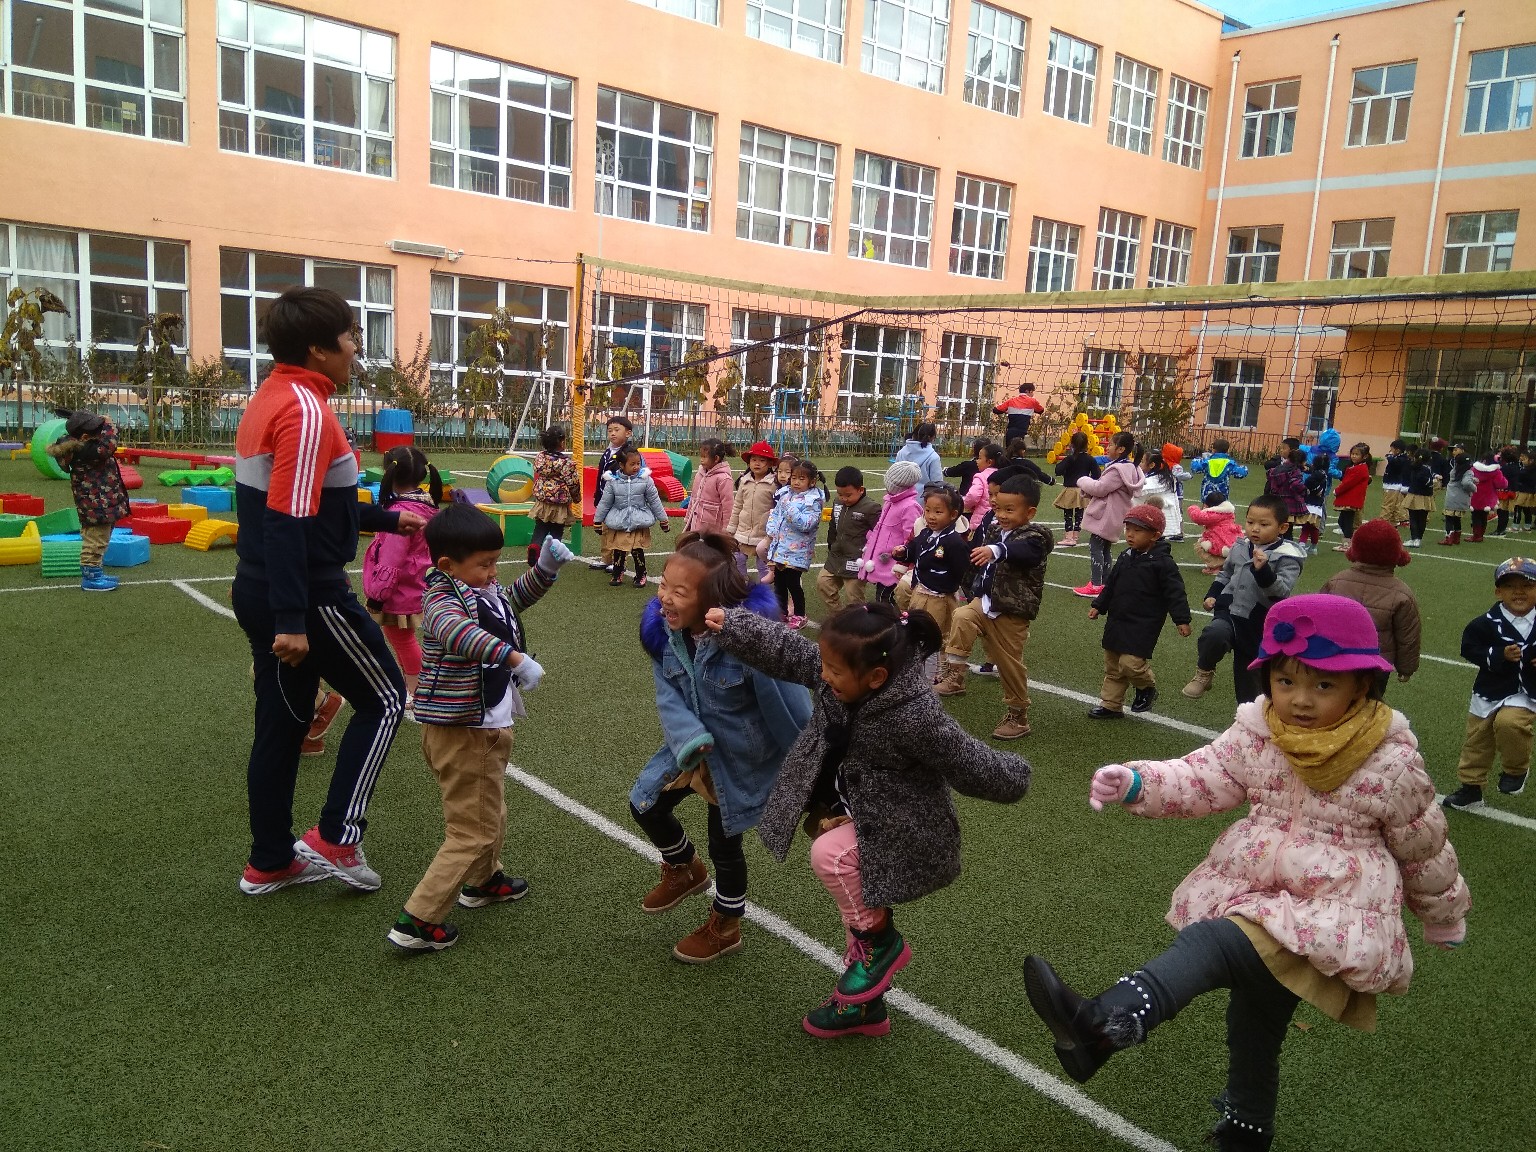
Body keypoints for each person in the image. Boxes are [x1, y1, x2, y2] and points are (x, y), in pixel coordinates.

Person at [1023, 594, 1468, 1152]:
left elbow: (1424, 846)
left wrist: (1443, 916)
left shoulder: (1389, 760)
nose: (1300, 699)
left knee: (1217, 942)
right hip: (1261, 885)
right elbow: (1203, 776)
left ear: (1362, 686)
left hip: (1334, 907)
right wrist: (1138, 782)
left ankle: (1106, 1021)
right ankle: (1247, 1129)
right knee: (1255, 1024)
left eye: (1323, 684)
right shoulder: (1260, 732)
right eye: (1286, 681)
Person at [704, 601, 1032, 1037]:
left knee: (833, 859)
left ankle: (882, 943)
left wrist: (1017, 776)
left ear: (876, 677)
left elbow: (969, 762)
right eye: (825, 666)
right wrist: (735, 625)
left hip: (902, 826)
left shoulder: (914, 714)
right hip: (857, 811)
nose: (823, 675)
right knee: (859, 904)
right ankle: (864, 1006)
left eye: (834, 671)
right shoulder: (844, 673)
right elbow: (791, 652)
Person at [231, 286, 427, 896]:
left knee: (282, 726)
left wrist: (386, 518)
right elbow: (287, 520)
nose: (354, 350)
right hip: (307, 595)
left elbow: (307, 504)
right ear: (319, 349)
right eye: (349, 338)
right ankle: (337, 837)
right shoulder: (306, 411)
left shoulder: (273, 395)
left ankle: (270, 861)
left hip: (260, 585)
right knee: (386, 699)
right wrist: (293, 617)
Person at [387, 504, 570, 950]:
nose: (493, 573)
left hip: (482, 725)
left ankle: (483, 880)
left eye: (495, 562)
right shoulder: (441, 599)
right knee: (472, 830)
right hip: (464, 731)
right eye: (484, 564)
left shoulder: (477, 587)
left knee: (489, 810)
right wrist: (515, 658)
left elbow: (510, 601)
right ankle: (418, 920)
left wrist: (544, 571)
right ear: (448, 564)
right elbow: (459, 634)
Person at [630, 533, 813, 962]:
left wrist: (808, 768)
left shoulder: (751, 644)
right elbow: (668, 695)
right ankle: (684, 867)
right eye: (663, 585)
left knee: (724, 844)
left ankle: (726, 925)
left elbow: (790, 708)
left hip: (740, 757)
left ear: (712, 600)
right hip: (691, 744)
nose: (665, 598)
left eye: (679, 592)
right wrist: (689, 740)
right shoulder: (665, 635)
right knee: (644, 805)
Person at [935, 474, 1056, 740]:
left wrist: (997, 550)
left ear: (1030, 512)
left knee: (1009, 664)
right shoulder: (993, 530)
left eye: (1009, 510)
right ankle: (955, 674)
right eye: (998, 508)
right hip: (985, 602)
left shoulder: (1035, 537)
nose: (1001, 514)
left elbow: (1024, 552)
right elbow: (976, 560)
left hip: (1011, 611)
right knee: (962, 615)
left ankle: (1018, 715)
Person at [1183, 494, 1306, 704]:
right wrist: (1213, 594)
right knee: (1214, 634)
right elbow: (1226, 573)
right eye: (1250, 522)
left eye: (1264, 524)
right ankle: (1204, 672)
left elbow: (1281, 592)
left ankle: (1249, 716)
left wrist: (1264, 571)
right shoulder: (1241, 545)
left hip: (1258, 620)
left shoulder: (1287, 556)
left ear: (1282, 528)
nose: (1255, 529)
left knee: (1249, 683)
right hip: (1229, 610)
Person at [1443, 556, 1536, 810]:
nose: (1518, 592)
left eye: (1527, 586)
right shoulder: (1484, 623)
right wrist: (1498, 655)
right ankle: (1471, 788)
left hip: (1527, 691)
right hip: (1489, 689)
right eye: (1510, 586)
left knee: (1510, 723)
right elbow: (1469, 649)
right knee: (1477, 740)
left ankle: (1516, 770)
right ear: (1498, 592)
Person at [1086, 503, 1192, 718]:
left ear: (1155, 535)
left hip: (1143, 623)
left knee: (1131, 664)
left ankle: (1146, 686)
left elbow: (1175, 592)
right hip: (1118, 619)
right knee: (1113, 665)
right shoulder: (1126, 556)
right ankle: (1111, 705)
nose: (1130, 534)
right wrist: (1099, 605)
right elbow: (1112, 584)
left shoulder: (1163, 563)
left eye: (1137, 530)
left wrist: (1181, 619)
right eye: (1128, 529)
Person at [361, 446, 443, 704]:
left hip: (399, 590)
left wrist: (378, 595)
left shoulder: (399, 513)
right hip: (416, 584)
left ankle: (419, 691)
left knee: (403, 640)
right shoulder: (427, 504)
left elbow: (391, 560)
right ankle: (414, 685)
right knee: (402, 640)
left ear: (389, 472)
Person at [1318, 519, 1421, 683]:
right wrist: (1406, 668)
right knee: (1372, 698)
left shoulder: (1336, 581)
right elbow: (1408, 637)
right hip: (1376, 665)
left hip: (1337, 658)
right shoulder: (1401, 592)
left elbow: (1318, 619)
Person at [44, 407, 130, 593]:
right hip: (96, 504)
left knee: (100, 537)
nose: (102, 433)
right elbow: (109, 446)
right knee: (95, 540)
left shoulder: (83, 445)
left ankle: (96, 572)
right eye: (98, 432)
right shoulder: (86, 450)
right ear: (84, 437)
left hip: (101, 503)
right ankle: (91, 578)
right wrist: (109, 425)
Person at [893, 484, 970, 642]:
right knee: (917, 628)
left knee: (936, 632)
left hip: (939, 597)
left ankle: (937, 658)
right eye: (927, 510)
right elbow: (913, 549)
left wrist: (947, 586)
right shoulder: (925, 533)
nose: (931, 516)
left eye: (938, 512)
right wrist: (903, 552)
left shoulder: (954, 542)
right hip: (919, 589)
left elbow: (962, 570)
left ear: (953, 514)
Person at [1074, 431, 1145, 598]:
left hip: (1106, 515)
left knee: (1096, 547)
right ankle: (1105, 583)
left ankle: (1096, 584)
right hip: (1115, 515)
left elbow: (1100, 488)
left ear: (1120, 449)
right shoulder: (1129, 468)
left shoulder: (1117, 470)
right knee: (1105, 548)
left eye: (1111, 445)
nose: (1107, 447)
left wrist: (1083, 480)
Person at [594, 446, 671, 587]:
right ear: (622, 465)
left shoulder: (645, 480)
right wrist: (597, 521)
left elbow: (654, 501)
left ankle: (641, 574)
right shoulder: (613, 481)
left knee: (637, 549)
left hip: (638, 520)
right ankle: (617, 572)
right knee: (619, 549)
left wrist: (663, 519)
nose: (636, 467)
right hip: (619, 520)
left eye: (638, 463)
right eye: (632, 464)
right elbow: (605, 502)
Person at [764, 459, 828, 627]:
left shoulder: (813, 501)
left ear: (812, 481)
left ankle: (800, 614)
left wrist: (789, 508)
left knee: (793, 584)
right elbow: (775, 514)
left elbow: (806, 524)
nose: (796, 482)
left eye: (801, 478)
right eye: (794, 478)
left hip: (797, 552)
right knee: (779, 583)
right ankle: (782, 612)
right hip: (780, 547)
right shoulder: (785, 494)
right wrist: (771, 529)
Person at [858, 461, 923, 604]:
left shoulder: (910, 507)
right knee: (882, 597)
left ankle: (895, 618)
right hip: (883, 561)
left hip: (894, 565)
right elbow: (879, 528)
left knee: (886, 599)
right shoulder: (889, 501)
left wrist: (904, 564)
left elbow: (912, 538)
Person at [819, 466, 880, 614]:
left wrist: (871, 557)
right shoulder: (837, 503)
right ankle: (839, 617)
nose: (844, 498)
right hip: (836, 557)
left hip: (856, 560)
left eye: (848, 495)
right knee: (823, 583)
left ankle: (858, 623)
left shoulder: (871, 508)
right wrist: (831, 545)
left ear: (860, 490)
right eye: (840, 494)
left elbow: (879, 535)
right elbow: (833, 526)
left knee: (854, 597)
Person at [528, 425, 579, 570]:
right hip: (559, 502)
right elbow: (573, 482)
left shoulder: (540, 458)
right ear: (561, 442)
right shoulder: (566, 463)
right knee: (557, 529)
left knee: (540, 526)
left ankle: (535, 546)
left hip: (542, 500)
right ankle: (552, 556)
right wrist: (577, 498)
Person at [728, 440, 778, 580]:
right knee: (737, 559)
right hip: (742, 532)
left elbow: (778, 509)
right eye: (754, 460)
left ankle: (765, 591)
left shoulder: (774, 484)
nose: (757, 463)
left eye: (762, 460)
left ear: (770, 464)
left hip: (764, 533)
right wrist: (731, 528)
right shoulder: (744, 481)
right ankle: (742, 584)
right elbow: (737, 506)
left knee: (763, 565)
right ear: (749, 462)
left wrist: (774, 532)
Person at [1052, 431, 1101, 548]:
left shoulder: (1070, 458)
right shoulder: (1090, 459)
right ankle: (1075, 535)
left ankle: (1068, 537)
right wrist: (1089, 480)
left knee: (1068, 513)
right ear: (1087, 444)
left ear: (1072, 444)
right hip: (1083, 489)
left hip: (1070, 489)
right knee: (1079, 514)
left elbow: (1058, 470)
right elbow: (1097, 474)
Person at [680, 437, 733, 536]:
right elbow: (693, 498)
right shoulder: (700, 474)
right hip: (695, 524)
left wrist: (727, 528)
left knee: (709, 545)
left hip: (712, 527)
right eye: (701, 456)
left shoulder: (724, 478)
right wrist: (688, 517)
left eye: (704, 457)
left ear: (716, 458)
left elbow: (728, 505)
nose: (701, 460)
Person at [1330, 442, 1373, 552]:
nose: (1353, 456)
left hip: (1351, 500)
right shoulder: (1356, 467)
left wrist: (1337, 491)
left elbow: (1348, 483)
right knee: (1343, 521)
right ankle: (1350, 542)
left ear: (1364, 456)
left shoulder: (1360, 468)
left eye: (1356, 454)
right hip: (1349, 499)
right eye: (1352, 454)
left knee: (1347, 522)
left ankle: (1348, 544)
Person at [1189, 491, 1243, 574]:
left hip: (1223, 544)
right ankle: (1227, 563)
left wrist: (1193, 508)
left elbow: (1198, 518)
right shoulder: (1229, 512)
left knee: (1199, 545)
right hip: (1233, 544)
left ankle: (1217, 566)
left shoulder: (1214, 514)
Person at [1137, 451, 1184, 543]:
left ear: (1152, 465)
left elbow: (1139, 492)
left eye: (1142, 461)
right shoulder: (1165, 477)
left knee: (1155, 543)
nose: (1140, 464)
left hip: (1158, 519)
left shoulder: (1155, 480)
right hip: (1162, 519)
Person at [1265, 448, 1308, 538]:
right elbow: (1295, 484)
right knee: (1287, 529)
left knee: (1277, 526)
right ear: (1301, 461)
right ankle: (1286, 545)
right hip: (1289, 503)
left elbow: (1269, 479)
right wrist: (1305, 490)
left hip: (1276, 501)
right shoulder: (1295, 471)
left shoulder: (1277, 469)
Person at [593, 414, 634, 511]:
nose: (613, 433)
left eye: (616, 430)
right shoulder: (607, 452)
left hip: (620, 499)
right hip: (604, 496)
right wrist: (598, 495)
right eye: (610, 430)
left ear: (628, 433)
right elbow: (600, 475)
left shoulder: (630, 454)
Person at [1191, 438, 1249, 503]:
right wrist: (1244, 467)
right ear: (1227, 450)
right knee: (1221, 508)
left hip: (1207, 493)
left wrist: (1199, 458)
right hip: (1222, 495)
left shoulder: (1207, 462)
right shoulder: (1229, 463)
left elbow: (1195, 467)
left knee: (1206, 507)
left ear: (1214, 450)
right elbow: (1241, 473)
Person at [1468, 452, 1508, 544]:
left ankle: (1476, 535)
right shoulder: (1496, 471)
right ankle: (1480, 535)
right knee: (1484, 516)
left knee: (1475, 516)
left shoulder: (1474, 469)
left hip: (1476, 495)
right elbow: (1502, 484)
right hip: (1488, 497)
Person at [1403, 447, 1437, 548]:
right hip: (1425, 496)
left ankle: (1414, 538)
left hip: (1414, 495)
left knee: (1413, 518)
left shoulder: (1414, 466)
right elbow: (1426, 481)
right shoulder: (1426, 469)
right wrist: (1433, 481)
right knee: (1422, 519)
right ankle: (1418, 539)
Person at [893, 422, 944, 488]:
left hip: (903, 493)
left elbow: (895, 475)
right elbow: (937, 483)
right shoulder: (933, 457)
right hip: (924, 494)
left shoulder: (902, 452)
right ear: (930, 437)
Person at [1441, 444, 1474, 546]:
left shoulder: (1456, 470)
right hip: (1461, 498)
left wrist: (1473, 487)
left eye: (1456, 450)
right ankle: (1456, 538)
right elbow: (1467, 482)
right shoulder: (1467, 471)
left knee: (1449, 518)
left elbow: (1466, 483)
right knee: (1457, 519)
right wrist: (1474, 487)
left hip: (1452, 496)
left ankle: (1448, 537)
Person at [1298, 454, 1331, 554]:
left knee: (1306, 526)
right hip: (1318, 505)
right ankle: (1313, 547)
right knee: (1313, 527)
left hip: (1311, 504)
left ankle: (1301, 545)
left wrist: (1315, 489)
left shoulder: (1317, 474)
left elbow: (1309, 481)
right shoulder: (1323, 473)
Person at [962, 441, 1003, 523]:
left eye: (980, 458)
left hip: (981, 520)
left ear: (989, 462)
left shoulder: (981, 477)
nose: (977, 461)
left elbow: (973, 495)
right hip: (999, 518)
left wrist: (966, 504)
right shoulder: (1003, 475)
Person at [1379, 439, 1410, 527]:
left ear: (1398, 450)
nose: (1390, 451)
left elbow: (1394, 461)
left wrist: (1390, 456)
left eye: (1392, 449)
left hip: (1393, 486)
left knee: (1388, 505)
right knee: (1394, 505)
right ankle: (1393, 523)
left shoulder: (1402, 459)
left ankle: (1382, 522)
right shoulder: (1399, 458)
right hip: (1392, 485)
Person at [1497, 446, 1520, 536]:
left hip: (1506, 491)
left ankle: (1500, 530)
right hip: (1512, 490)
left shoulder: (1506, 468)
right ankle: (1501, 529)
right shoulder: (1516, 465)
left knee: (1502, 510)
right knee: (1504, 511)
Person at [1514, 449, 1536, 533]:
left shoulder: (1526, 471)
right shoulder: (1531, 470)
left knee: (1517, 508)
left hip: (1523, 492)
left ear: (1531, 461)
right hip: (1530, 492)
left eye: (1526, 458)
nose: (1523, 460)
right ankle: (1527, 526)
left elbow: (1519, 477)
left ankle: (1515, 526)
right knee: (1527, 509)